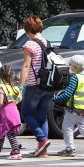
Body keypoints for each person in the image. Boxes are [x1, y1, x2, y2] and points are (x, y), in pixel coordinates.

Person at [18, 16, 52, 157]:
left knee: (26, 113)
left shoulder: (30, 45)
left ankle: (42, 140)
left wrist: (20, 87)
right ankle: (43, 149)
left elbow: (26, 66)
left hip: (34, 85)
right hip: (49, 85)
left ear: (27, 30)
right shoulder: (47, 42)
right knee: (42, 116)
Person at [0, 65, 24, 159]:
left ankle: (16, 151)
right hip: (14, 111)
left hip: (6, 112)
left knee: (9, 133)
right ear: (12, 75)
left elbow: (0, 102)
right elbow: (19, 99)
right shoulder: (15, 88)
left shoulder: (2, 88)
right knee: (2, 132)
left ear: (0, 75)